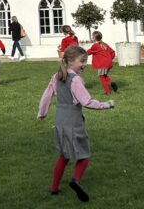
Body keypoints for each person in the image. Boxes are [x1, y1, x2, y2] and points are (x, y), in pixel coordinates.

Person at [38, 45, 115, 202]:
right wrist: (106, 104)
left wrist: (42, 113)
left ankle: (53, 188)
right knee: (84, 155)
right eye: (82, 61)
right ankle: (75, 180)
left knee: (63, 156)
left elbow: (47, 95)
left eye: (86, 61)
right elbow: (86, 101)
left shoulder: (56, 77)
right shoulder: (75, 80)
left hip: (60, 122)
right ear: (71, 61)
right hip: (74, 123)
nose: (85, 64)